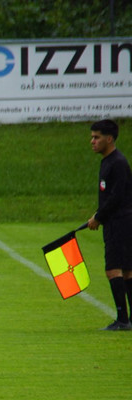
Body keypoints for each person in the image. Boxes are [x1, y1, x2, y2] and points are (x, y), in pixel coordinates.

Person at [87, 119, 132, 331]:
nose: (92, 141)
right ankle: (128, 319)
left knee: (114, 269)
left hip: (119, 222)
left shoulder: (118, 163)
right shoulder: (108, 161)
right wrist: (99, 214)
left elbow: (117, 196)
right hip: (119, 221)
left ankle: (122, 319)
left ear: (110, 139)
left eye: (97, 137)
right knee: (127, 269)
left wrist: (99, 217)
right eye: (92, 137)